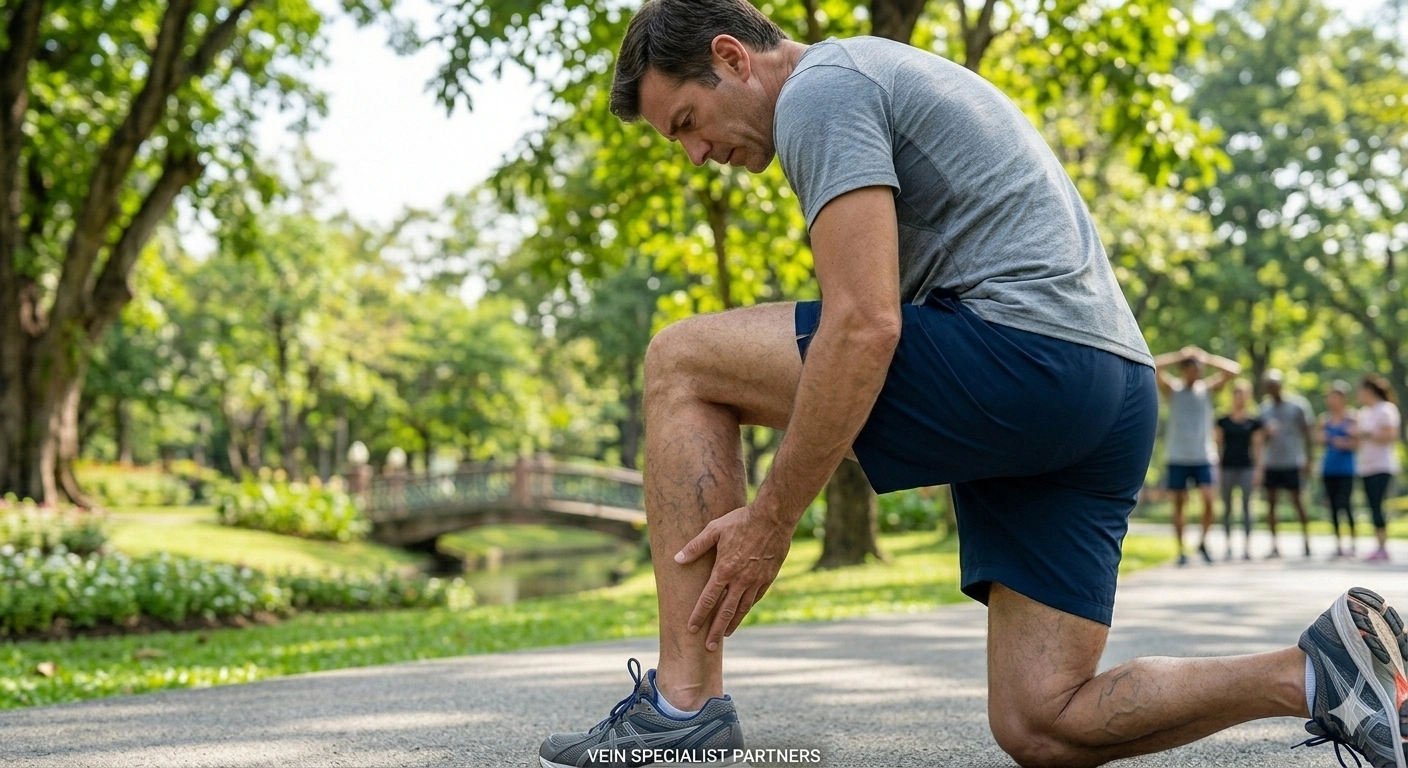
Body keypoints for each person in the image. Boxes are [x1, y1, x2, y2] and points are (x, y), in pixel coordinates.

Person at [538, 2, 1408, 766]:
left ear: (732, 56)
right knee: (1042, 722)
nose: (693, 154)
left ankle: (681, 708)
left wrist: (773, 518)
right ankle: (1320, 671)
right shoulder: (871, 74)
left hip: (1029, 359)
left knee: (682, 360)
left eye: (687, 121)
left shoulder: (818, 89)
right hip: (1108, 390)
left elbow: (864, 324)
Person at [1152, 346, 1240, 565]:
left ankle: (1203, 542)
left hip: (1204, 456)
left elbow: (1234, 370)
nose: (1196, 372)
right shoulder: (1173, 390)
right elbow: (1154, 365)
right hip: (1178, 456)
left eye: (1198, 369)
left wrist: (1205, 357)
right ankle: (1181, 549)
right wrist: (1179, 355)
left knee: (1210, 501)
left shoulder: (1207, 389)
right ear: (1184, 371)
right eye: (1192, 368)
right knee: (1180, 504)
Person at [1260, 369, 1316, 559]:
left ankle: (1306, 541)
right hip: (1271, 462)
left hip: (1292, 460)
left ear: (1281, 386)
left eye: (1274, 386)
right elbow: (1259, 438)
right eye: (1268, 387)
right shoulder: (1264, 409)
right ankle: (1274, 545)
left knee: (1298, 502)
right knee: (1271, 504)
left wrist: (1310, 459)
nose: (1271, 389)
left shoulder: (1297, 406)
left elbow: (1308, 433)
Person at [1216, 380, 1263, 561]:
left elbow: (1258, 448)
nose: (1240, 398)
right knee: (1227, 508)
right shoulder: (1223, 420)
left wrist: (1259, 470)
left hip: (1247, 468)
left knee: (1246, 507)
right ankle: (1228, 545)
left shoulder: (1254, 422)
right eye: (1237, 394)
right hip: (1227, 467)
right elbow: (1218, 445)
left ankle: (1247, 546)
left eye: (1243, 394)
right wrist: (1217, 469)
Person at [1357, 374, 1401, 563]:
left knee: (1378, 505)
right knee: (1372, 506)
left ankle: (1383, 547)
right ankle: (1378, 545)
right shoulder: (1363, 412)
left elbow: (1391, 434)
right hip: (1365, 466)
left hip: (1382, 465)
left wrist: (1366, 434)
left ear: (1369, 391)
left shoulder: (1386, 409)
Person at [1318, 381, 1359, 558]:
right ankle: (1338, 543)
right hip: (1329, 468)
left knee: (1345, 504)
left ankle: (1352, 542)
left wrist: (1344, 442)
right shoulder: (1324, 419)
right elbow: (1318, 439)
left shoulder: (1352, 417)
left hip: (1346, 468)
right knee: (1333, 506)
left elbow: (1357, 443)